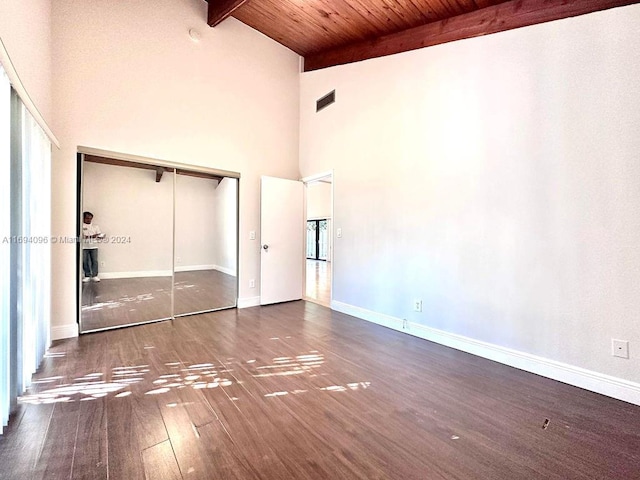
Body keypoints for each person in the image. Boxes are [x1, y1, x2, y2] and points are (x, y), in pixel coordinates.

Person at [82, 211, 104, 282]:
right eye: (87, 218)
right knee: (85, 261)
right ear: (83, 218)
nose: (89, 220)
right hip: (84, 247)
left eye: (90, 218)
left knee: (94, 261)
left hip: (94, 246)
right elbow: (82, 237)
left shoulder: (95, 226)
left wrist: (100, 236)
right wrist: (92, 236)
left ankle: (95, 275)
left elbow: (98, 235)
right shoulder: (81, 227)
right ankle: (87, 275)